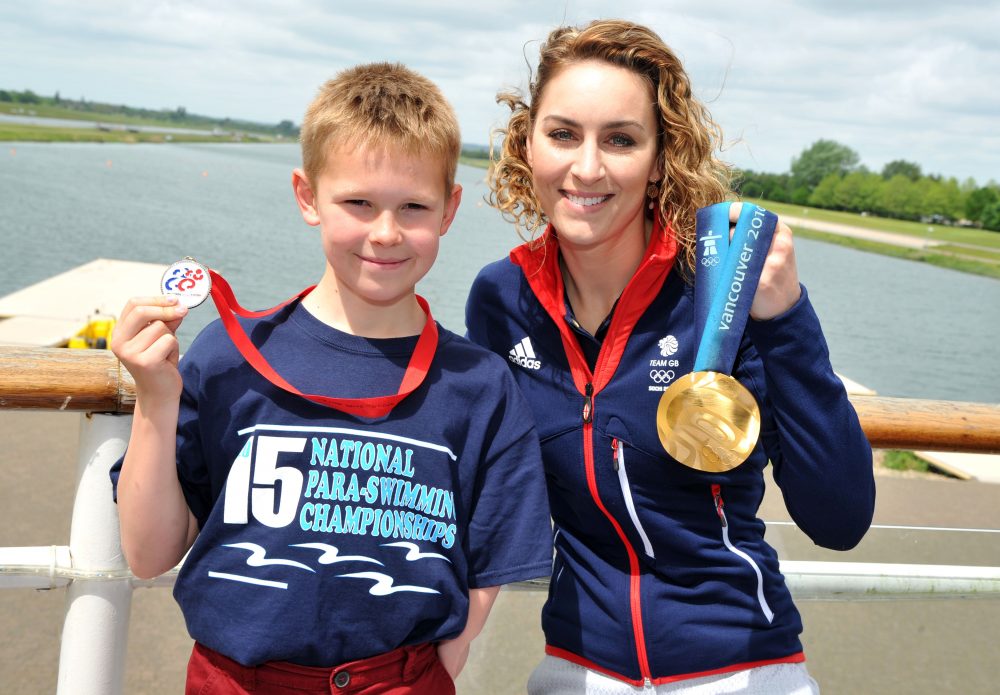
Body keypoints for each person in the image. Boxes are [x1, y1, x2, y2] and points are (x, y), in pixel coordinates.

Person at [110, 62, 553, 694]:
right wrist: (156, 395)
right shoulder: (228, 356)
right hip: (235, 679)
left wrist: (430, 672)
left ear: (449, 209)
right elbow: (149, 554)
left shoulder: (478, 386)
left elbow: (487, 564)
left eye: (414, 207)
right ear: (306, 196)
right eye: (358, 203)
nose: (385, 233)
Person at [466, 19, 876, 694]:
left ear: (660, 159)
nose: (587, 167)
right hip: (575, 668)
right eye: (563, 133)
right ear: (526, 143)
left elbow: (840, 517)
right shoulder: (499, 299)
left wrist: (788, 319)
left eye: (620, 139)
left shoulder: (720, 293)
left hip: (741, 667)